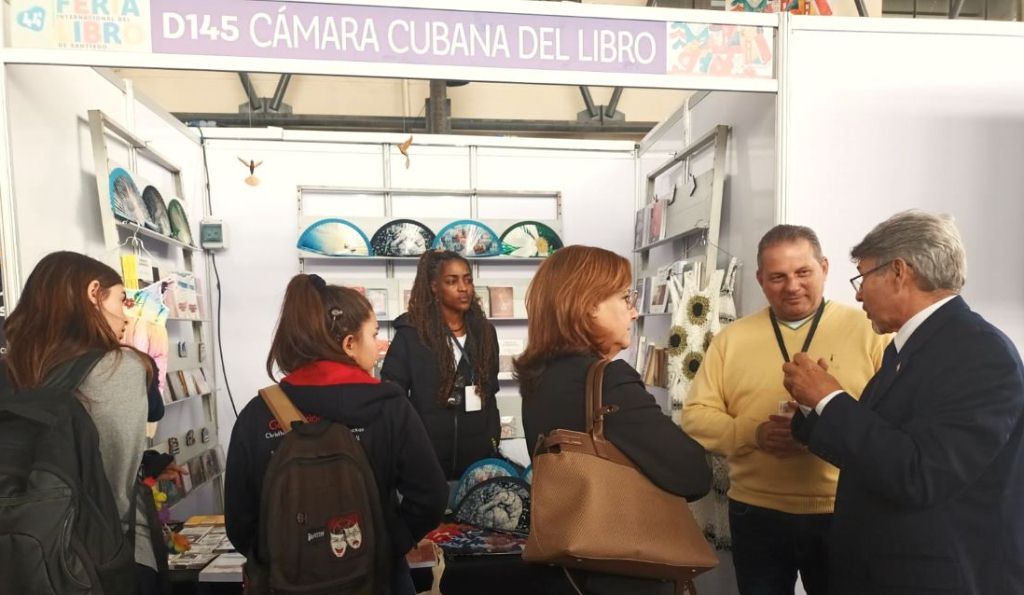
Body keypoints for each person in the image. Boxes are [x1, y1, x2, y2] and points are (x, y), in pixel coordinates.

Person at [783, 211, 1024, 595]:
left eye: (862, 277)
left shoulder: (980, 352)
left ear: (898, 272)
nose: (858, 293)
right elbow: (878, 450)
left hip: (932, 577)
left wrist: (829, 397)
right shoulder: (910, 346)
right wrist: (814, 410)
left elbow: (919, 473)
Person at [681, 225, 887, 595]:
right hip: (755, 511)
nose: (791, 286)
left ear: (824, 267)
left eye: (803, 272)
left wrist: (823, 433)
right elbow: (695, 416)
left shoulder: (871, 331)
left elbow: (891, 422)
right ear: (760, 280)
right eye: (777, 277)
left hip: (842, 509)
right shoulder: (732, 339)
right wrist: (753, 434)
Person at [224, 273, 448, 594]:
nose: (379, 347)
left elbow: (239, 519)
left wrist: (284, 557)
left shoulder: (259, 414)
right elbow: (431, 496)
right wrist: (385, 544)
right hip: (376, 578)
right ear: (349, 345)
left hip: (286, 581)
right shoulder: (389, 407)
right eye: (373, 335)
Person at [517, 245, 711, 595]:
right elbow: (694, 474)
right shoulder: (608, 380)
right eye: (625, 298)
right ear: (589, 305)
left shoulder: (539, 379)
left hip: (568, 569)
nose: (634, 312)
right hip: (627, 571)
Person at [3, 251, 164, 593]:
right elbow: (117, 486)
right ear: (94, 293)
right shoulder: (118, 368)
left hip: (20, 556)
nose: (125, 315)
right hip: (98, 559)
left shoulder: (10, 369)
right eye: (122, 299)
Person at [381, 250, 500, 479]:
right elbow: (393, 393)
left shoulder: (484, 332)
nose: (463, 288)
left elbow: (490, 391)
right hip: (426, 458)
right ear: (435, 287)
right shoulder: (412, 334)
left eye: (467, 279)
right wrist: (410, 441)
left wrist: (491, 439)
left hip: (476, 462)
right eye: (452, 281)